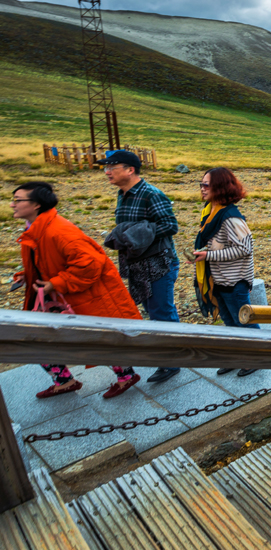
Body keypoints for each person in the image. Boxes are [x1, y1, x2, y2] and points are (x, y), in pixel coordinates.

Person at [11, 183, 143, 399]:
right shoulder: (35, 228)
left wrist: (55, 283)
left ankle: (125, 376)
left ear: (36, 205)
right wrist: (29, 274)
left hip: (84, 294)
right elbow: (46, 259)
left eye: (18, 200)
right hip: (65, 294)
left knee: (98, 336)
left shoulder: (58, 231)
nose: (12, 204)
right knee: (40, 338)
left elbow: (90, 264)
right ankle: (65, 381)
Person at [98, 149, 182, 385]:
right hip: (138, 265)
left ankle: (172, 362)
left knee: (161, 313)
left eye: (112, 167)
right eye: (106, 168)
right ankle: (175, 352)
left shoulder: (151, 194)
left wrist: (137, 233)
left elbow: (170, 226)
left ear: (130, 170)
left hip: (158, 263)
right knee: (155, 311)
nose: (107, 172)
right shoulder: (122, 194)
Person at [192, 167, 260, 377]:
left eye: (206, 185)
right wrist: (204, 254)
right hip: (219, 279)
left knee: (244, 320)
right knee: (229, 321)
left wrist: (208, 256)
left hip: (234, 280)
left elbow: (245, 249)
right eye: (201, 184)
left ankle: (256, 357)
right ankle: (237, 357)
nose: (202, 188)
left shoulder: (230, 218)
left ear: (220, 187)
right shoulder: (211, 211)